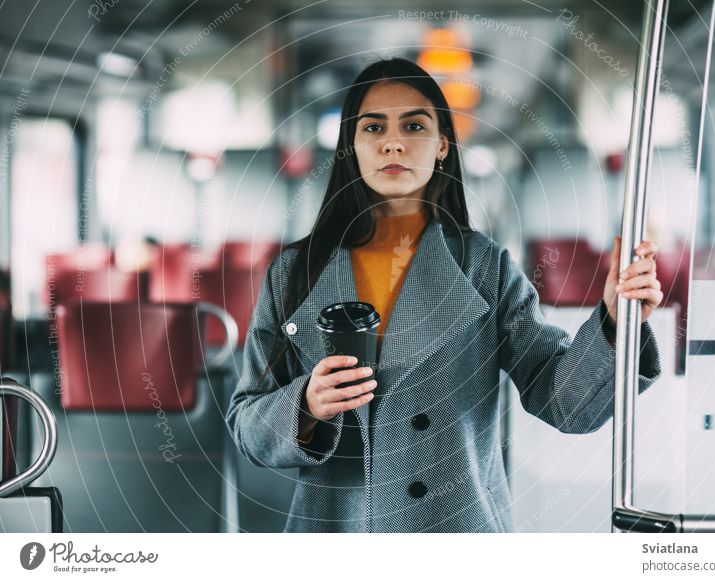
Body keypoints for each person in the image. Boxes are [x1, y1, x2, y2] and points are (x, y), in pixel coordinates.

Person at [225, 57, 663, 533]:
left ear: (441, 147)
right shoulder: (294, 272)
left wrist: (614, 321)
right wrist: (306, 405)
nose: (393, 141)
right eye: (373, 127)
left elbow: (566, 404)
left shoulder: (484, 266)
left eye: (414, 125)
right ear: (351, 147)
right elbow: (248, 423)